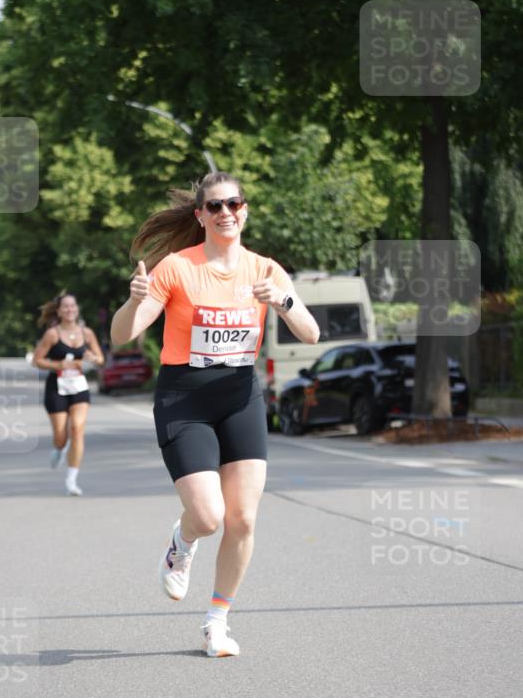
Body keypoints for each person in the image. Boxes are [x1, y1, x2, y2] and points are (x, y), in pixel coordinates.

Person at [110, 171, 319, 657]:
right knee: (208, 516)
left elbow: (309, 333)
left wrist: (284, 302)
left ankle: (216, 623)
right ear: (201, 215)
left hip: (240, 397)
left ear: (245, 210)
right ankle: (180, 545)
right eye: (217, 206)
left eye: (235, 204)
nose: (227, 213)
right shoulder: (175, 269)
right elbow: (125, 333)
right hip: (185, 399)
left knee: (243, 520)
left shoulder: (266, 271)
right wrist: (134, 300)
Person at [32, 293, 104, 496]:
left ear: (77, 308)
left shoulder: (87, 333)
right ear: (59, 311)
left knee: (77, 429)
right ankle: (58, 448)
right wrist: (58, 365)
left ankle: (71, 480)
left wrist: (93, 358)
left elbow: (100, 359)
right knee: (61, 437)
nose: (70, 309)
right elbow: (37, 360)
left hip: (79, 386)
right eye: (65, 307)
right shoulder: (52, 334)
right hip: (57, 387)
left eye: (73, 306)